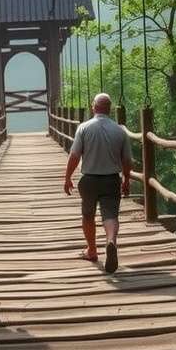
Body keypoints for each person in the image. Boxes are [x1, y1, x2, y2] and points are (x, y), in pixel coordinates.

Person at [64, 93, 132, 273]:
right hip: (111, 179)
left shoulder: (84, 128)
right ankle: (111, 241)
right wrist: (126, 179)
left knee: (88, 215)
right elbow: (127, 161)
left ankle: (92, 250)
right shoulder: (120, 131)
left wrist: (67, 177)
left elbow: (74, 155)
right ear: (109, 109)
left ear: (93, 107)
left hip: (89, 180)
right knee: (110, 215)